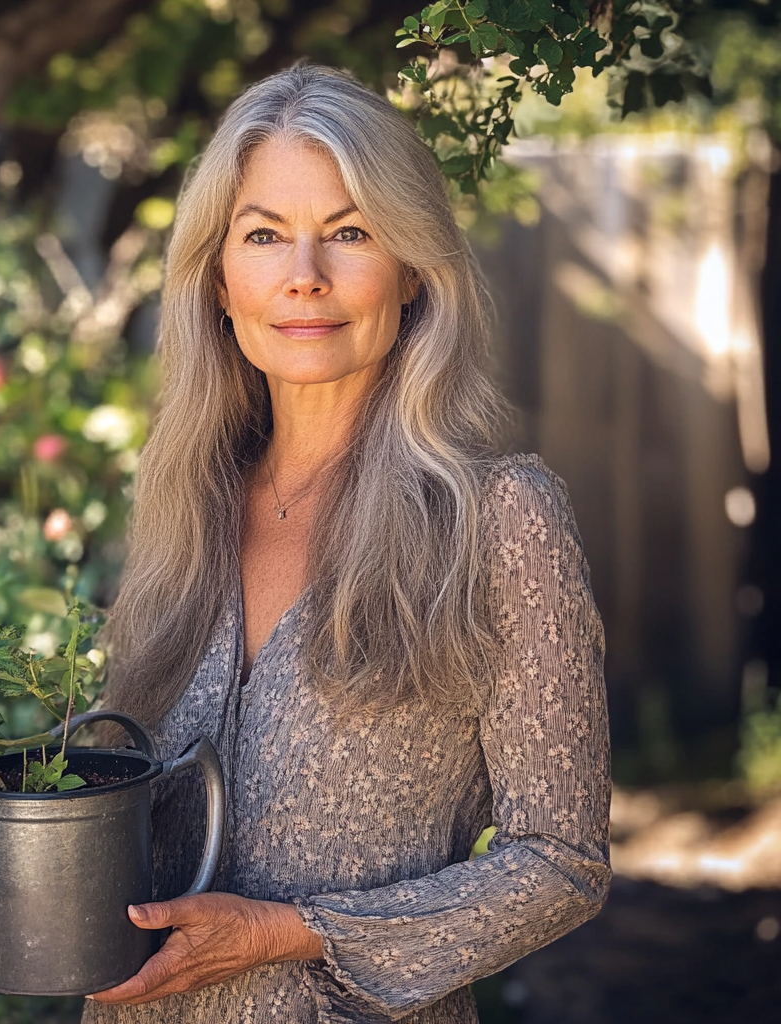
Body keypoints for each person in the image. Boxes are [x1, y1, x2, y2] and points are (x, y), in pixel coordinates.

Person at [84, 64, 611, 1024]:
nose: (305, 278)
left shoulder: (499, 518)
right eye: (264, 235)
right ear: (218, 279)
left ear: (413, 270)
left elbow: (563, 864)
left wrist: (297, 931)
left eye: (350, 232)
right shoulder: (183, 508)